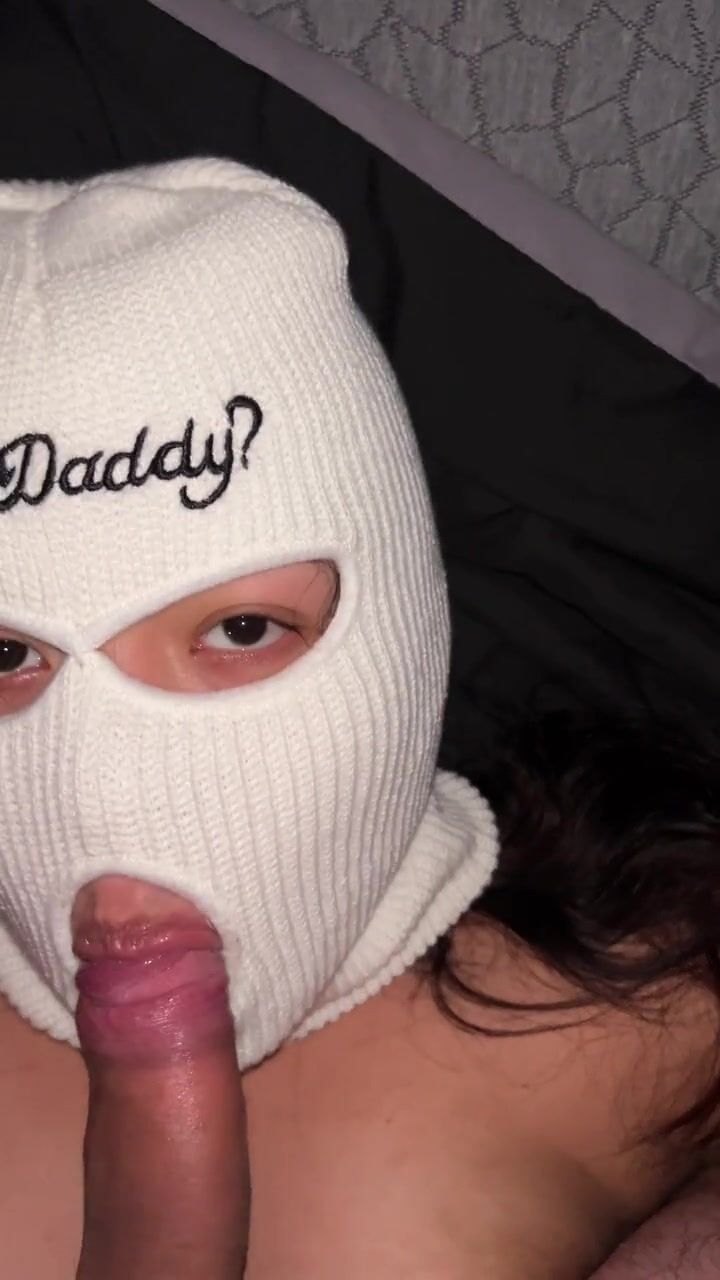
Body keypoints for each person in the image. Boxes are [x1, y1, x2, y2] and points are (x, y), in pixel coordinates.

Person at [0, 158, 717, 1279]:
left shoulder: (663, 1008)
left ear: (401, 620)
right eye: (7, 655)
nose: (111, 787)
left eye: (242, 628)